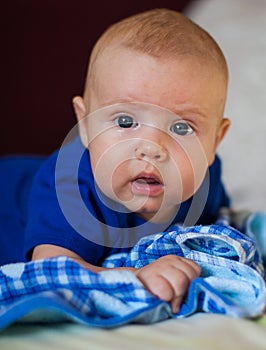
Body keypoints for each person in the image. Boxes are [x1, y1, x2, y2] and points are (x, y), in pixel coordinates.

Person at [1, 9, 231, 313]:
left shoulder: (206, 178)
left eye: (181, 128)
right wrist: (136, 278)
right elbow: (53, 272)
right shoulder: (70, 189)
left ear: (215, 140)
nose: (151, 149)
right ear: (84, 124)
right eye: (124, 121)